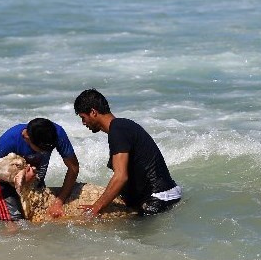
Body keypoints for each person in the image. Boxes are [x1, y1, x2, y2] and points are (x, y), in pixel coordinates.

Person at [73, 88, 181, 217]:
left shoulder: (118, 130)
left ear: (93, 112)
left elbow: (121, 177)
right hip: (164, 195)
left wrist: (95, 208)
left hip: (159, 198)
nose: (83, 123)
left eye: (83, 117)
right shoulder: (121, 127)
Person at [0, 118, 80, 221]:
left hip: (31, 181)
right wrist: (19, 180)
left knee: (36, 222)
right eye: (41, 150)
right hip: (3, 183)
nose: (45, 153)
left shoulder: (56, 133)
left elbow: (73, 167)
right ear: (27, 138)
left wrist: (59, 201)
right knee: (14, 224)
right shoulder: (10, 139)